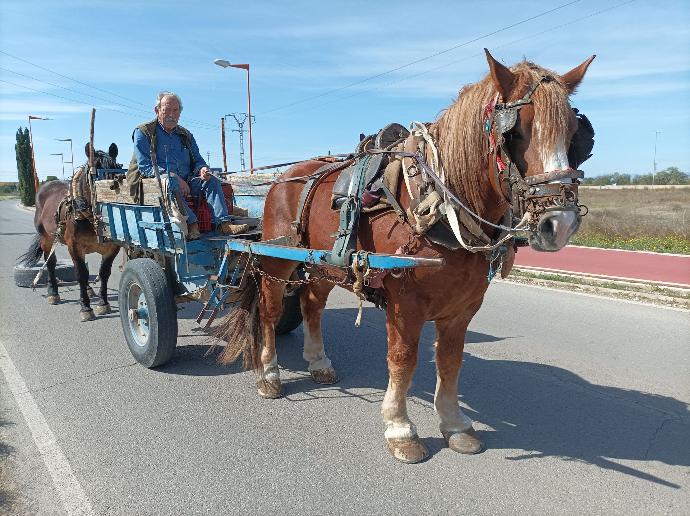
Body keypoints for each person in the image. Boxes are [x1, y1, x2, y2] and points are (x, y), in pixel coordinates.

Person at [129, 91, 247, 240]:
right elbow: (145, 166)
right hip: (160, 184)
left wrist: (203, 169)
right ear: (157, 110)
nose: (172, 114)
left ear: (180, 113)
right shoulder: (144, 132)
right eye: (167, 110)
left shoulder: (186, 135)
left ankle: (224, 224)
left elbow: (198, 160)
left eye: (175, 110)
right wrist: (174, 177)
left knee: (212, 180)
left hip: (188, 182)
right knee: (170, 182)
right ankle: (192, 224)